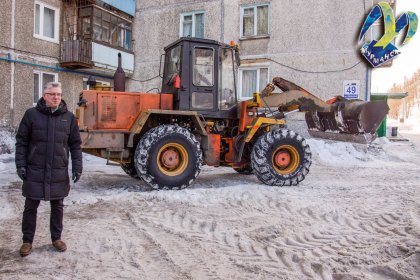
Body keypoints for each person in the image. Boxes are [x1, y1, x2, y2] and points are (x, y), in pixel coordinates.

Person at [15, 82, 83, 257]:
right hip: (34, 169)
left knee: (57, 206)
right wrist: (21, 165)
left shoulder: (68, 117)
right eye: (52, 94)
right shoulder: (31, 115)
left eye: (59, 94)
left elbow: (75, 145)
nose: (56, 97)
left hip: (58, 170)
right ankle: (27, 241)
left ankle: (56, 238)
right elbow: (21, 142)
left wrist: (77, 166)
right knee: (31, 206)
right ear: (44, 95)